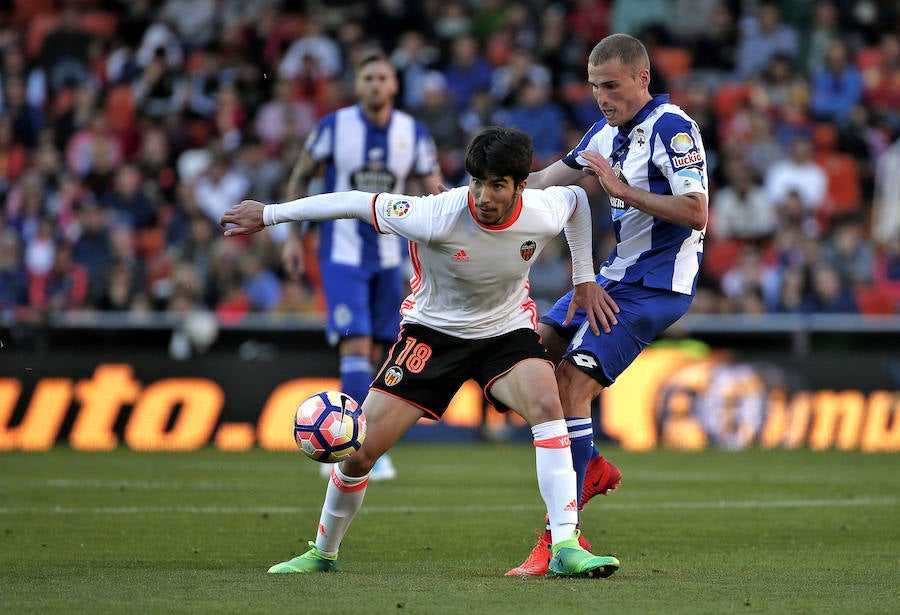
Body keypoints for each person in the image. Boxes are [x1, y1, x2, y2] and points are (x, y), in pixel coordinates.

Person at [220, 126, 620, 578]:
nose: (484, 196)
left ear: (520, 186)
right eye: (476, 182)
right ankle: (322, 553)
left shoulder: (541, 209)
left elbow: (579, 203)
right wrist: (269, 215)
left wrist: (584, 277)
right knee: (358, 452)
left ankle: (565, 544)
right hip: (432, 337)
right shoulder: (435, 214)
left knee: (549, 405)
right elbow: (353, 201)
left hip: (505, 333)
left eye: (497, 185)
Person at [506, 32, 709, 576]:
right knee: (526, 357)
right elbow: (548, 180)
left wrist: (621, 189)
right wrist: (483, 190)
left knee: (571, 386)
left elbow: (696, 212)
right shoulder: (606, 130)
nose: (601, 96)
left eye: (612, 86)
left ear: (643, 78)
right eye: (595, 86)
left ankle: (559, 538)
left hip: (657, 287)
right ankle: (587, 464)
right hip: (612, 277)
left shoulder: (673, 128)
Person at [281, 50, 444, 481]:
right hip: (342, 255)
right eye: (368, 77)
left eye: (382, 77)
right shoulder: (335, 126)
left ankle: (358, 439)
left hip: (393, 258)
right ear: (358, 84)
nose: (375, 84)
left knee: (378, 350)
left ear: (394, 85)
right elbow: (301, 177)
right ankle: (361, 447)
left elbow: (435, 192)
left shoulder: (413, 132)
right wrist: (293, 238)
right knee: (354, 345)